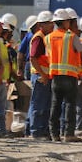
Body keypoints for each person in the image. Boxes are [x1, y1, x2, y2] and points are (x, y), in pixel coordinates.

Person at [45, 8, 82, 142]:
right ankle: (68, 134)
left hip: (55, 76)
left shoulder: (48, 37)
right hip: (70, 75)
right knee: (69, 105)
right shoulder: (71, 36)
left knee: (55, 105)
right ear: (66, 22)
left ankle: (54, 134)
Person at [28, 10, 54, 140]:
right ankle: (36, 131)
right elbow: (33, 58)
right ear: (42, 25)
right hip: (40, 75)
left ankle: (42, 131)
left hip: (44, 75)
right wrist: (43, 74)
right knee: (38, 104)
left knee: (45, 104)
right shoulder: (39, 38)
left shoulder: (45, 38)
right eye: (50, 23)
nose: (52, 26)